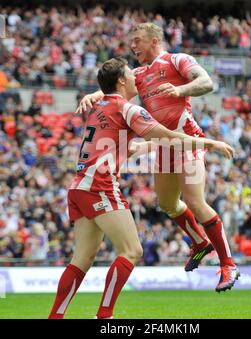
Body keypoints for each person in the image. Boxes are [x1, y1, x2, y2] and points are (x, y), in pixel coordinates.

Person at [48, 57, 234, 319]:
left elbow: (134, 145)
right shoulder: (128, 109)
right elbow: (167, 136)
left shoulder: (100, 106)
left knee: (81, 260)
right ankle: (104, 317)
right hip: (100, 187)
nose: (137, 78)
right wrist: (209, 143)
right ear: (122, 80)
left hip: (79, 188)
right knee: (132, 251)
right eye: (130, 74)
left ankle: (55, 317)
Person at [77, 23, 240, 292]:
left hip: (187, 140)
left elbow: (206, 82)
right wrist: (94, 94)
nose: (133, 46)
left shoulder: (177, 60)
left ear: (154, 41)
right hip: (164, 145)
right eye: (132, 41)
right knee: (167, 203)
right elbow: (116, 92)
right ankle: (199, 243)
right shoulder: (139, 74)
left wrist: (180, 90)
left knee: (195, 202)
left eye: (137, 40)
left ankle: (228, 265)